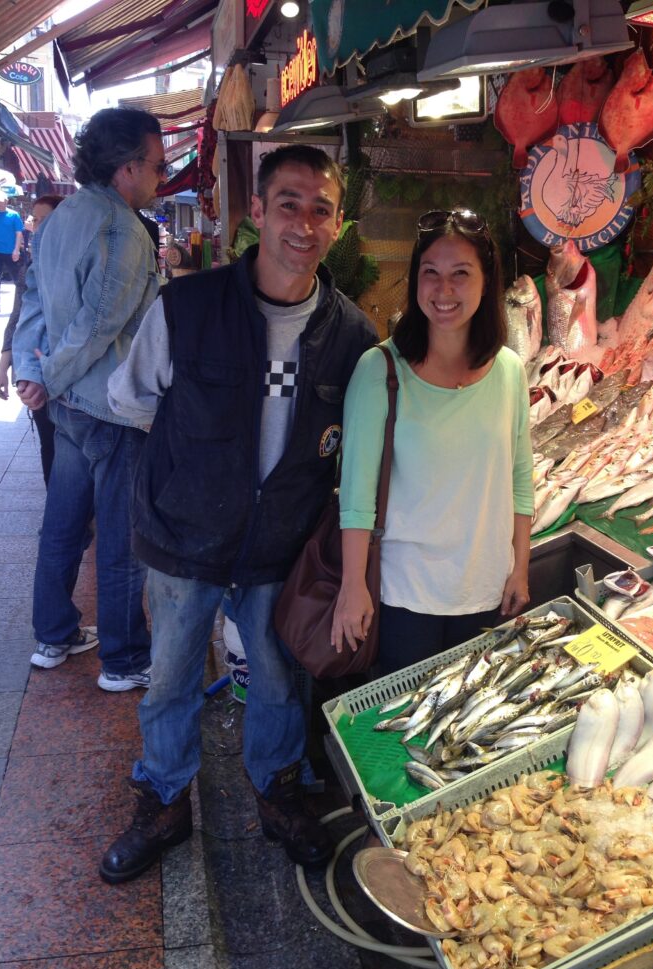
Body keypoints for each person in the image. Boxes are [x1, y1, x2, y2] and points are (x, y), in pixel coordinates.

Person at [101, 144, 377, 884]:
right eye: (289, 202)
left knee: (280, 677)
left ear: (339, 223)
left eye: (322, 208)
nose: (304, 222)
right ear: (256, 211)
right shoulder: (187, 308)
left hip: (279, 546)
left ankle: (279, 792)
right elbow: (130, 399)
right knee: (169, 677)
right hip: (185, 536)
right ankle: (162, 799)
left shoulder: (352, 339)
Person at [331, 209, 534, 674]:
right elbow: (357, 496)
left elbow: (520, 479)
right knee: (402, 732)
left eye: (461, 274)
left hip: (485, 590)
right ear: (415, 281)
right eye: (431, 274)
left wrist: (519, 567)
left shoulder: (509, 372)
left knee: (466, 733)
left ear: (487, 283)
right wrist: (352, 585)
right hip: (404, 596)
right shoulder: (379, 370)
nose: (444, 291)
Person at [12, 107, 166, 690]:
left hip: (69, 408)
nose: (161, 176)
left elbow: (33, 301)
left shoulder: (61, 216)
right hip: (111, 407)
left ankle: (54, 636)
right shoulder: (122, 231)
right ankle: (124, 661)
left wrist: (35, 370)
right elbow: (97, 328)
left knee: (64, 524)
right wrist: (44, 376)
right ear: (126, 167)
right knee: (121, 543)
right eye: (155, 165)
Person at [0, 195, 65, 485]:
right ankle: (58, 515)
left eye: (42, 219)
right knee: (49, 443)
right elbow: (17, 314)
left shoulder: (74, 263)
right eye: (34, 219)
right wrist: (4, 361)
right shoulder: (32, 263)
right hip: (34, 368)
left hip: (64, 368)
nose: (35, 226)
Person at [0, 189, 23, 313]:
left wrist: (16, 250)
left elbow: (19, 234)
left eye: (0, 202)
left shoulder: (14, 215)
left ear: (6, 201)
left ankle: (21, 305)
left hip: (10, 252)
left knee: (18, 280)